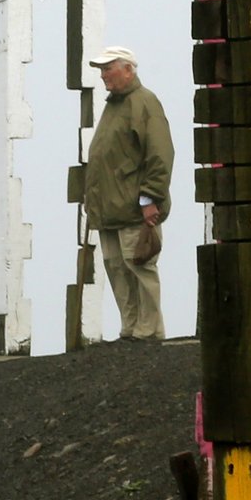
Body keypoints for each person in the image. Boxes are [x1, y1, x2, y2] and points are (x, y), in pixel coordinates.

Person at [81, 45, 172, 341]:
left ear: (128, 69)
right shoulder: (115, 105)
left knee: (139, 266)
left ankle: (148, 331)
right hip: (110, 209)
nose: (103, 75)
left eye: (109, 69)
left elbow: (160, 155)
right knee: (116, 268)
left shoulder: (144, 102)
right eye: (101, 70)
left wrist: (150, 199)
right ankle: (131, 328)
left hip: (135, 208)